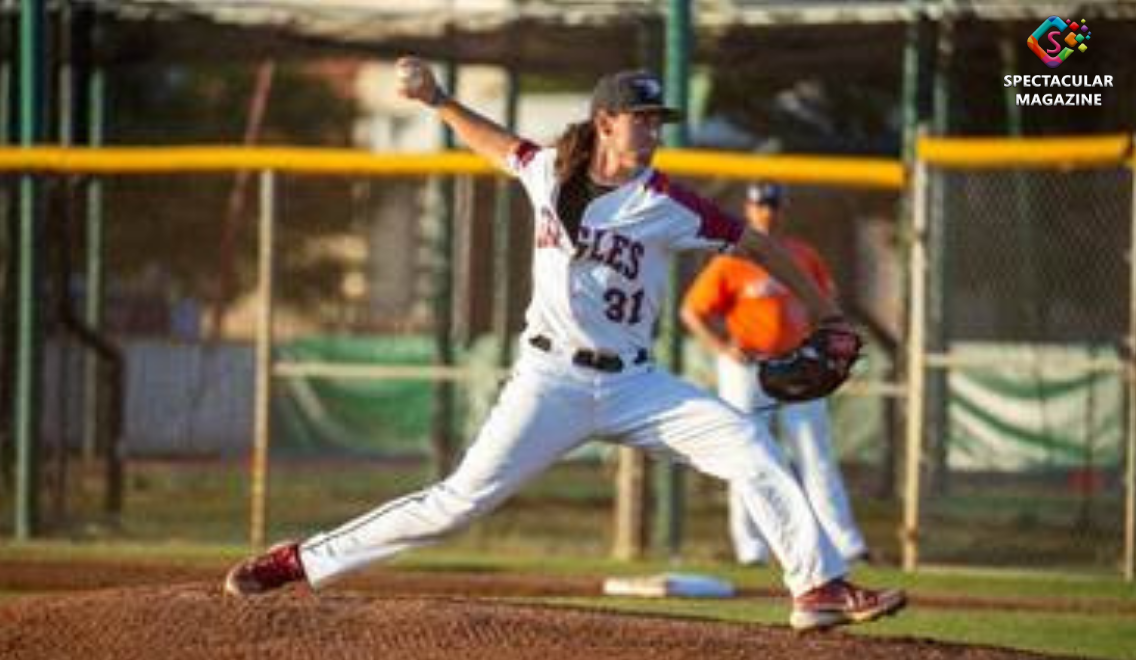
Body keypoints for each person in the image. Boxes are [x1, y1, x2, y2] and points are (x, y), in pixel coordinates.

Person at [223, 56, 905, 632]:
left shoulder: (668, 201)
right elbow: (493, 142)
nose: (652, 129)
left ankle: (816, 587)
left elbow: (756, 243)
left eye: (656, 120)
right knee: (457, 503)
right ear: (606, 122)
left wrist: (826, 313)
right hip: (550, 379)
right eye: (641, 118)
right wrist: (437, 99)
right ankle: (302, 560)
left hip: (639, 385)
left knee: (750, 447)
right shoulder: (548, 172)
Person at [681, 183, 869, 567]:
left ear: (783, 210)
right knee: (746, 451)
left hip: (798, 363)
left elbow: (824, 304)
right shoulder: (731, 259)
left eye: (773, 205)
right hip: (747, 368)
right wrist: (722, 347)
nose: (767, 211)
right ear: (749, 209)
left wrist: (824, 344)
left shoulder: (801, 255)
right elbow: (692, 312)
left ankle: (846, 544)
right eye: (760, 204)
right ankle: (750, 548)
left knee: (816, 455)